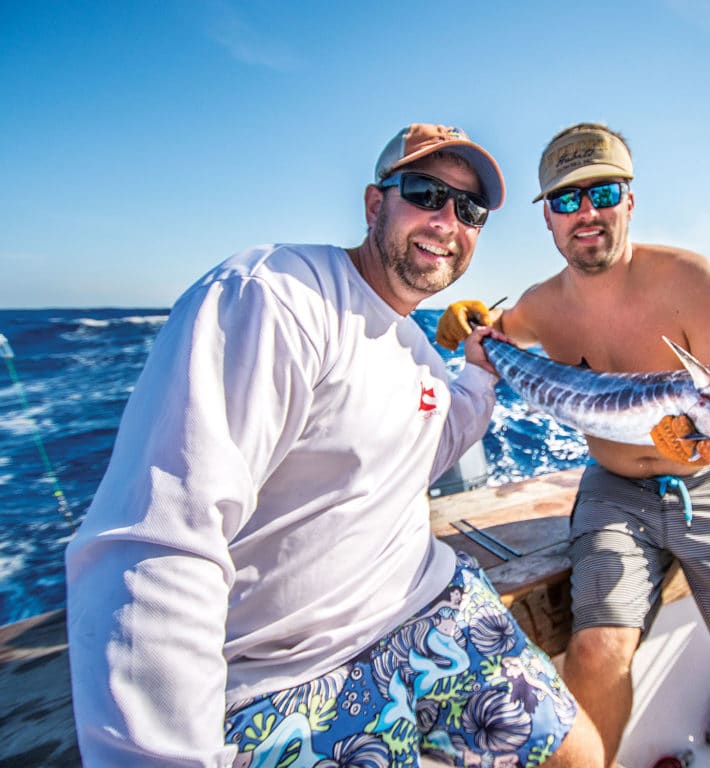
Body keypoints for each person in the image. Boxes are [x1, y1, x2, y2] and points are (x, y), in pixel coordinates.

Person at [65, 124, 603, 767]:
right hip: (284, 674)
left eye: (469, 209)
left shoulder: (419, 354)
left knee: (580, 753)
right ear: (376, 204)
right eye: (426, 193)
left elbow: (428, 448)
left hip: (428, 607)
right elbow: (160, 543)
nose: (446, 221)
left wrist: (480, 371)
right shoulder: (275, 297)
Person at [437, 123, 710, 768]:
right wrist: (468, 321)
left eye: (602, 193)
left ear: (629, 200)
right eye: (566, 201)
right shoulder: (540, 306)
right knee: (594, 652)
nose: (585, 213)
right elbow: (488, 336)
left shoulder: (695, 279)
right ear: (548, 221)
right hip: (612, 487)